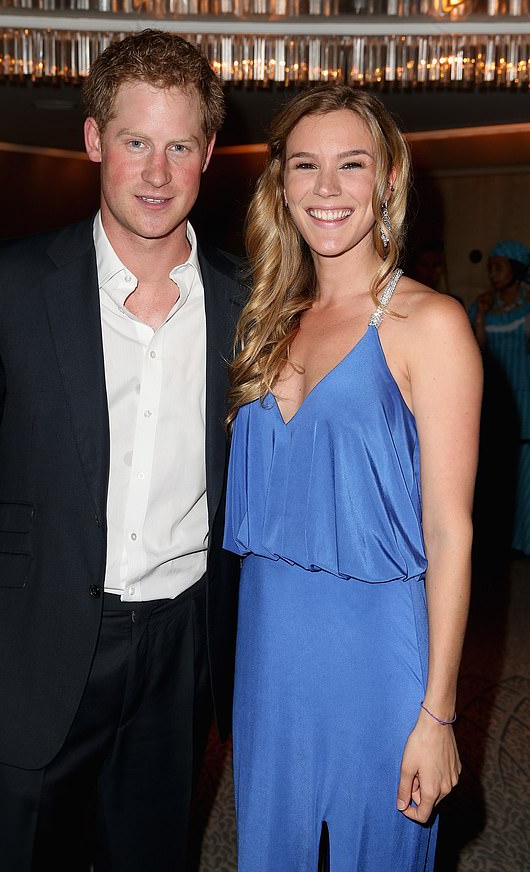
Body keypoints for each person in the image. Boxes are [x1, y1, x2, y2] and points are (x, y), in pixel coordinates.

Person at [0, 29, 243, 872]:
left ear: (209, 152)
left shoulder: (248, 301)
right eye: (136, 142)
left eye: (179, 146)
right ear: (95, 139)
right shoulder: (6, 283)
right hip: (33, 636)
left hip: (181, 645)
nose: (157, 174)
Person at [223, 84, 482, 871]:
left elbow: (450, 531)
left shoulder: (428, 323)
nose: (326, 189)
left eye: (351, 165)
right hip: (268, 653)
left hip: (377, 656)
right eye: (306, 166)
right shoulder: (265, 319)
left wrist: (437, 715)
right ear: (281, 185)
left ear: (388, 181)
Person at [470, 240, 530, 556]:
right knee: (495, 468)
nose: (492, 274)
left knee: (525, 470)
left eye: (499, 267)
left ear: (516, 270)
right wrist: (479, 317)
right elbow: (477, 352)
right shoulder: (483, 306)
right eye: (490, 267)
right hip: (493, 400)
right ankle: (499, 541)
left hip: (524, 396)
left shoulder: (527, 306)